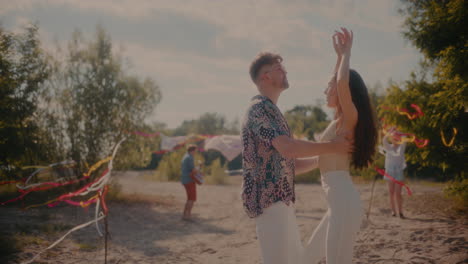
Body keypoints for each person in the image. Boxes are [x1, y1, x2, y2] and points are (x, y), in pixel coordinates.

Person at [241, 51, 353, 264]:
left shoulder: (271, 110)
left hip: (281, 202)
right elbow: (289, 149)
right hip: (268, 202)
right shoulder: (258, 109)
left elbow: (290, 164)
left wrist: (324, 158)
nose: (285, 71)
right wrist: (332, 147)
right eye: (279, 69)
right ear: (265, 76)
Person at [303, 28, 378, 264]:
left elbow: (342, 82)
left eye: (329, 86)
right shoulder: (338, 122)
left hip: (343, 205)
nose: (325, 90)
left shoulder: (349, 119)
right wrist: (337, 58)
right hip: (338, 205)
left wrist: (347, 53)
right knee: (306, 258)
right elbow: (339, 81)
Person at [381, 130, 407, 219]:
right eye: (393, 138)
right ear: (391, 139)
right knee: (391, 192)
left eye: (396, 138)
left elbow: (405, 138)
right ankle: (393, 211)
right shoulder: (389, 147)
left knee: (398, 193)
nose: (395, 139)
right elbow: (384, 140)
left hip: (399, 171)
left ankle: (400, 212)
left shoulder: (402, 147)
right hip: (390, 171)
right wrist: (390, 132)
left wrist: (399, 132)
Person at [180, 144, 200, 221]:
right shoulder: (190, 158)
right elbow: (193, 170)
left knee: (189, 198)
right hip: (189, 180)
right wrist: (199, 167)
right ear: (192, 150)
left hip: (185, 180)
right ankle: (188, 216)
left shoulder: (185, 156)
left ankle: (184, 215)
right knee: (192, 198)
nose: (196, 152)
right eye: (195, 151)